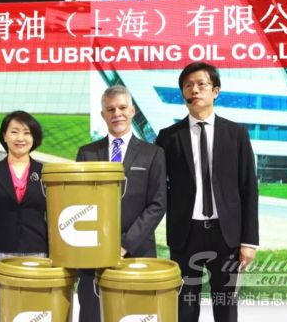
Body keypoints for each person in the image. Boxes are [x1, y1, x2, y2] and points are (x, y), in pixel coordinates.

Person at [155, 62, 259, 322]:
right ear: (183, 93)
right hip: (185, 233)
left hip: (227, 236)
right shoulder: (168, 137)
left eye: (201, 84)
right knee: (185, 305)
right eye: (188, 86)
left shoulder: (236, 134)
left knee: (226, 305)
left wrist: (249, 241)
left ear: (215, 91)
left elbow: (248, 189)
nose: (194, 90)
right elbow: (159, 188)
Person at [76, 85, 167, 322]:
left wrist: (125, 244)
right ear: (103, 115)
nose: (117, 113)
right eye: (111, 109)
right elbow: (79, 202)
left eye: (122, 108)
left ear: (132, 111)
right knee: (92, 314)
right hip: (94, 253)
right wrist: (102, 244)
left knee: (137, 314)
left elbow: (157, 204)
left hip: (138, 251)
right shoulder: (86, 154)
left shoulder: (153, 153)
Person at [0, 111, 47, 322]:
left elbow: (53, 221)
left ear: (34, 138)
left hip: (38, 255)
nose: (20, 138)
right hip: (1, 257)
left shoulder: (46, 173)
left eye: (26, 132)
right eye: (14, 132)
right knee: (4, 315)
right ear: (4, 136)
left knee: (36, 313)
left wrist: (55, 260)